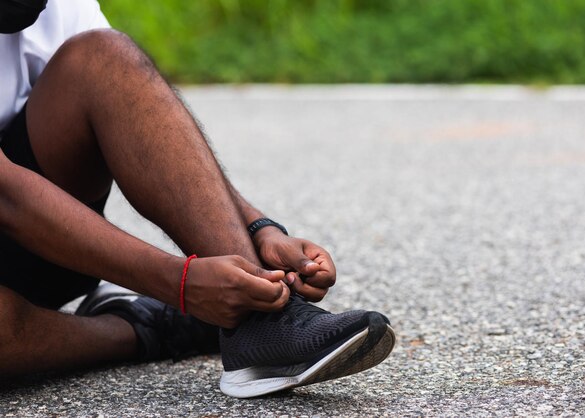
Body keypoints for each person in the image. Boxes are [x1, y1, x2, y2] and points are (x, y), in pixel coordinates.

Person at [0, 0, 395, 398]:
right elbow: (7, 194)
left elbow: (132, 112)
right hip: (14, 213)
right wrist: (183, 286)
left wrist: (260, 230)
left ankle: (263, 325)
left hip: (47, 245)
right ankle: (147, 326)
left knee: (105, 58)